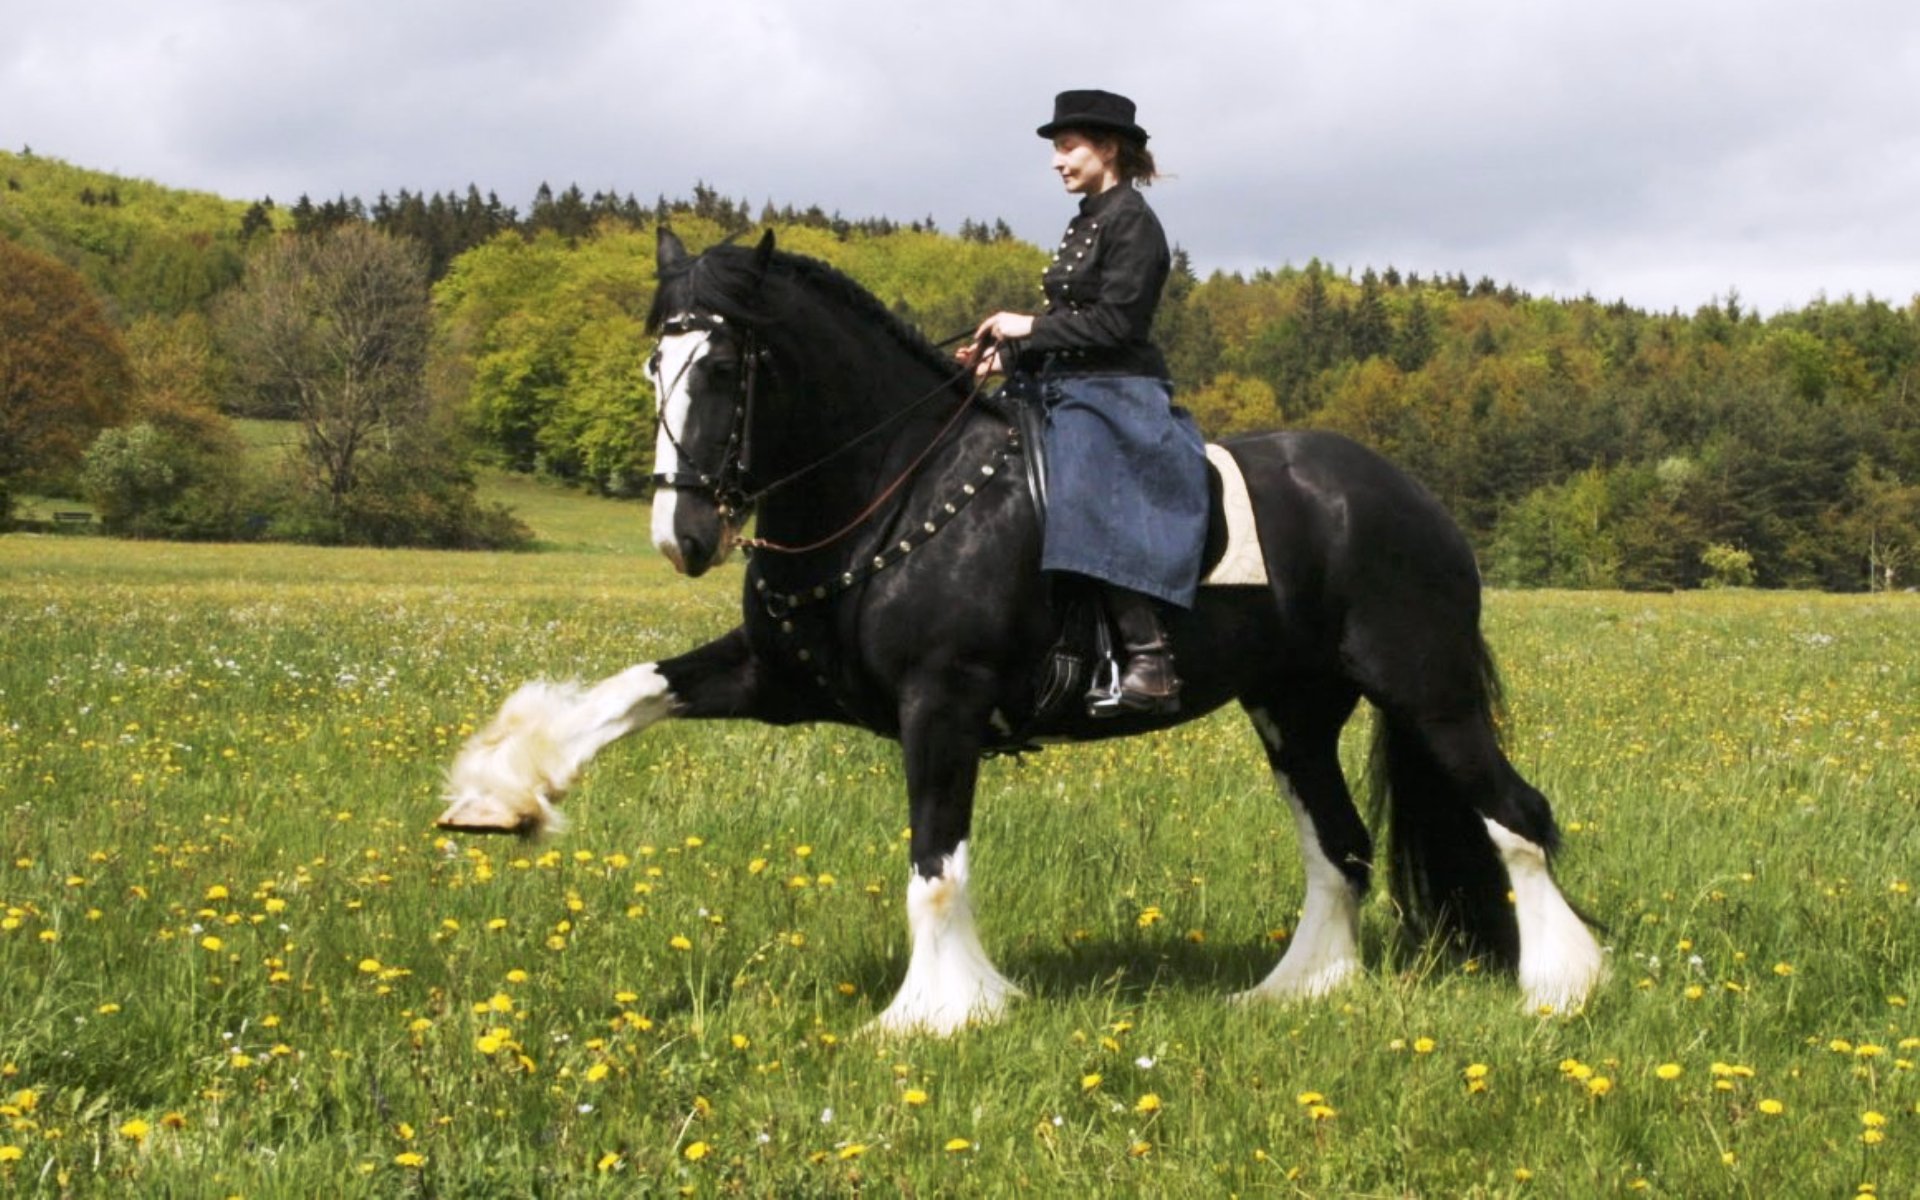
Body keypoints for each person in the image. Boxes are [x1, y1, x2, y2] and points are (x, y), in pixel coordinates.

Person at [963, 89, 1209, 717]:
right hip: (1061, 383)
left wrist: (1026, 329)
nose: (1057, 162)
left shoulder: (1133, 221)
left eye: (1068, 148)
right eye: (1057, 150)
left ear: (1107, 148)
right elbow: (1070, 322)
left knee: (1082, 481)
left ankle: (1148, 658)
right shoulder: (1089, 218)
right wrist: (1004, 358)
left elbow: (1116, 326)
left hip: (1115, 390)